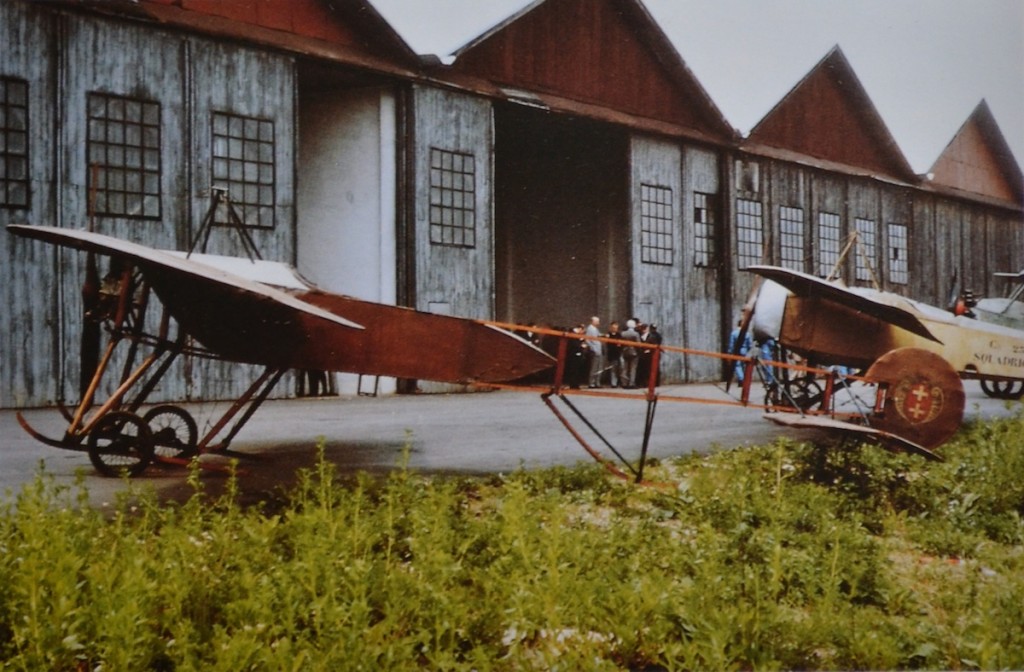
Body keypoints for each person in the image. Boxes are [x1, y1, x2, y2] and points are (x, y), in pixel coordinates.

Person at [728, 318, 753, 382]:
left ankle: (741, 379)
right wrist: (747, 350)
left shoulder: (734, 333)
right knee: (743, 365)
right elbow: (750, 344)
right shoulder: (747, 334)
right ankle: (744, 378)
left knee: (737, 365)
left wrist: (730, 352)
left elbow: (731, 344)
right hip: (744, 351)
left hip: (736, 351)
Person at [620, 319, 641, 388]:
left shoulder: (623, 333)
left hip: (625, 351)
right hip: (634, 352)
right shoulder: (635, 334)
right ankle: (631, 383)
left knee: (625, 368)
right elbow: (638, 344)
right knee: (633, 368)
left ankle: (624, 382)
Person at [584, 316, 603, 388]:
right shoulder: (590, 329)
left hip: (598, 349)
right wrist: (593, 348)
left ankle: (597, 382)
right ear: (593, 321)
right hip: (595, 350)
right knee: (594, 367)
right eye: (597, 321)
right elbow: (587, 340)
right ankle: (591, 382)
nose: (598, 322)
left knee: (599, 367)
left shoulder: (596, 329)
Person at [604, 321, 623, 388]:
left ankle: (621, 382)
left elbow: (621, 343)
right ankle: (613, 383)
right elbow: (608, 344)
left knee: (621, 368)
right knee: (613, 369)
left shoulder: (619, 335)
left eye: (616, 328)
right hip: (612, 354)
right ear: (611, 328)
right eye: (614, 327)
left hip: (619, 353)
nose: (615, 329)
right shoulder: (608, 335)